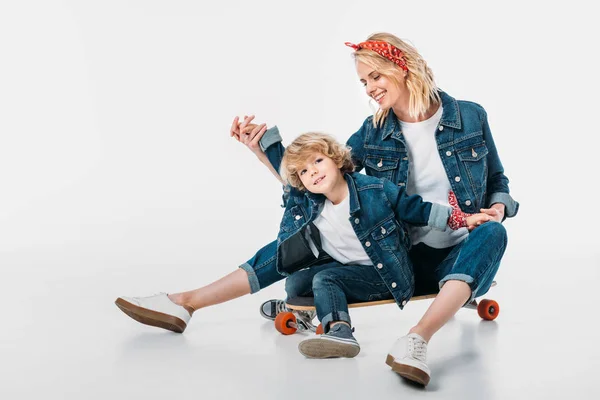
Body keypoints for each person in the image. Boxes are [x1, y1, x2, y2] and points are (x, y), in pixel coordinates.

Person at [233, 32, 518, 386]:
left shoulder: (471, 116)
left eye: (375, 77)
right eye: (364, 82)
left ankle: (415, 340)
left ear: (402, 68)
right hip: (403, 257)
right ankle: (314, 315)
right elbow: (323, 179)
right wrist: (262, 149)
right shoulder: (373, 133)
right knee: (299, 282)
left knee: (494, 232)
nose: (369, 89)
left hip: (461, 251)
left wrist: (497, 208)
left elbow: (497, 178)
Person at [275, 132, 488, 360]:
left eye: (317, 161)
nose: (313, 172)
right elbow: (287, 184)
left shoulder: (374, 190)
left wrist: (462, 219)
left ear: (337, 160)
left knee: (325, 279)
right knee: (295, 283)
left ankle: (339, 331)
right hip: (351, 267)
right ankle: (305, 315)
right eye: (304, 171)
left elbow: (417, 209)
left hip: (387, 273)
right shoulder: (310, 203)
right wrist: (265, 144)